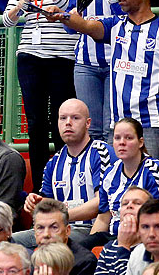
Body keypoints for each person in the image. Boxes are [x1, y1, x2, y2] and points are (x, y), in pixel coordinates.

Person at [49, 0, 159, 164]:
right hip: (117, 126)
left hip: (152, 124)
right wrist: (62, 15)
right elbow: (86, 26)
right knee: (115, 188)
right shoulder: (115, 25)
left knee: (149, 188)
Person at [3, 0, 82, 191]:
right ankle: (40, 187)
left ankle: (66, 183)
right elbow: (8, 20)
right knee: (36, 123)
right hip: (30, 56)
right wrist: (19, 7)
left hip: (62, 55)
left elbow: (69, 6)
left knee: (65, 120)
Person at [67, 0, 138, 141]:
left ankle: (112, 175)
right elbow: (71, 28)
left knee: (112, 129)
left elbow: (131, 21)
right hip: (85, 64)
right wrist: (65, 18)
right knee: (90, 129)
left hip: (117, 64)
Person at [25, 98, 115, 237]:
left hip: (90, 229)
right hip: (58, 229)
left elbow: (101, 202)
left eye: (75, 118)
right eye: (62, 118)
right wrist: (35, 204)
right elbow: (47, 206)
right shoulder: (53, 163)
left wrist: (61, 217)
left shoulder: (101, 153)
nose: (68, 122)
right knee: (13, 241)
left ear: (88, 123)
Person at [94, 118, 159, 239]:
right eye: (117, 138)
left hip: (144, 238)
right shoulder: (110, 173)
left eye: (128, 138)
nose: (122, 143)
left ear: (140, 142)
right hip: (112, 237)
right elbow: (103, 219)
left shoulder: (155, 171)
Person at [84, 187, 147, 275]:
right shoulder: (109, 247)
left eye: (137, 203)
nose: (129, 206)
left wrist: (124, 247)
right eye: (125, 203)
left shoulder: (150, 249)